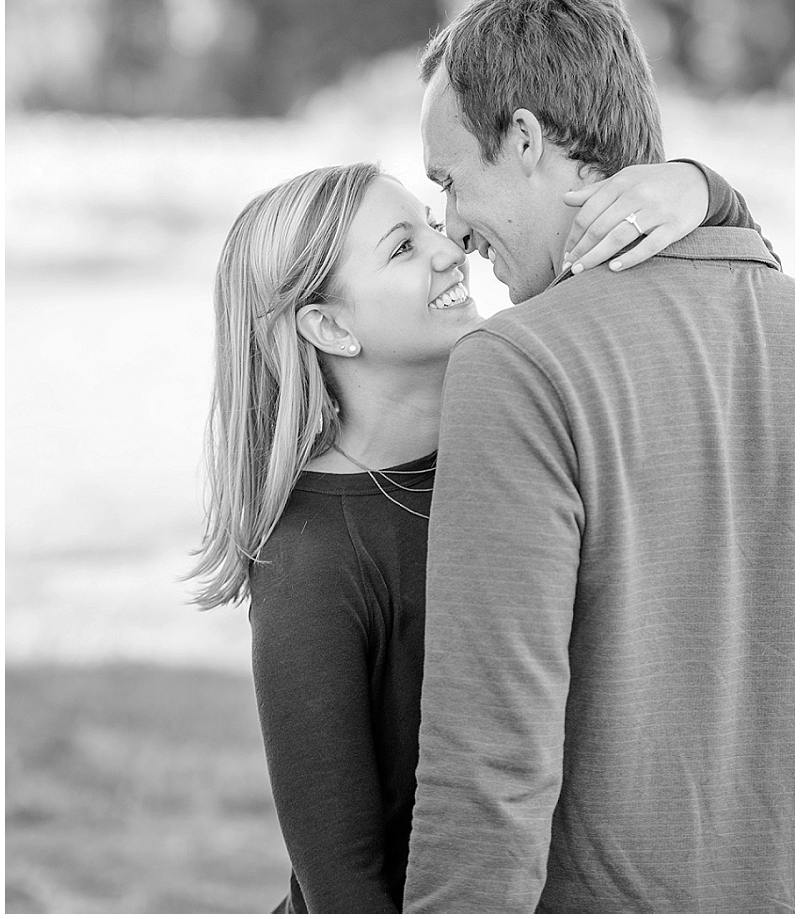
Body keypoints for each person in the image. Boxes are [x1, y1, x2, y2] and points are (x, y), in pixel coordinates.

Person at [188, 142, 774, 914]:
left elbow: (739, 270)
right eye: (404, 248)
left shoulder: (516, 438)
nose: (450, 247)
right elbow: (340, 885)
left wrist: (698, 186)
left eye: (433, 223)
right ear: (329, 327)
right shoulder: (311, 558)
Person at [403, 0, 794, 914]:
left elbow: (488, 759)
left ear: (528, 139)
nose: (450, 227)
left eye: (452, 181)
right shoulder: (782, 312)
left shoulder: (516, 364)